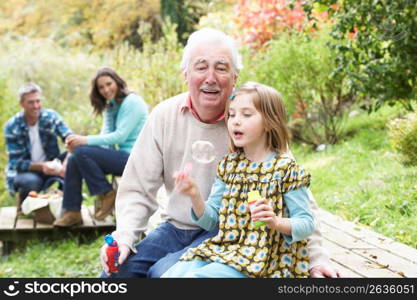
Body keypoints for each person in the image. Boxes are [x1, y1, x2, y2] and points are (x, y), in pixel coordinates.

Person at [100, 28, 341, 278]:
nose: (210, 78)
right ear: (186, 74)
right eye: (201, 67)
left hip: (229, 233)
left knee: (164, 274)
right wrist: (125, 237)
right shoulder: (164, 115)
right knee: (116, 274)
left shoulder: (254, 124)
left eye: (222, 68)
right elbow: (137, 188)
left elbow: (298, 198)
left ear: (235, 78)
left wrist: (316, 260)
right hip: (176, 227)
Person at [162, 81, 315, 277]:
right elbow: (211, 221)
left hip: (264, 260)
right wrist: (195, 196)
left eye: (246, 114)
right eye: (231, 114)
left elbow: (307, 224)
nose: (235, 121)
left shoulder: (286, 170)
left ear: (269, 122)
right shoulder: (229, 166)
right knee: (171, 275)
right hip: (226, 249)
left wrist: (275, 222)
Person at [52, 67, 148, 227]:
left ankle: (105, 192)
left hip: (138, 160)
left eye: (108, 84)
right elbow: (105, 140)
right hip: (123, 157)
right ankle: (72, 212)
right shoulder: (111, 106)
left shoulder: (132, 102)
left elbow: (120, 136)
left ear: (117, 82)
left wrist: (84, 141)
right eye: (101, 87)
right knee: (76, 156)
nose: (105, 90)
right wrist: (76, 150)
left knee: (81, 151)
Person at [4, 83, 71, 212]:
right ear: (21, 104)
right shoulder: (12, 126)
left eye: (38, 101)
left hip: (52, 163)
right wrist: (43, 166)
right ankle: (24, 206)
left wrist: (67, 162)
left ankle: (67, 207)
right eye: (30, 102)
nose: (36, 106)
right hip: (26, 171)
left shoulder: (50, 117)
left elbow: (70, 138)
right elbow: (17, 163)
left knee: (76, 160)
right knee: (32, 182)